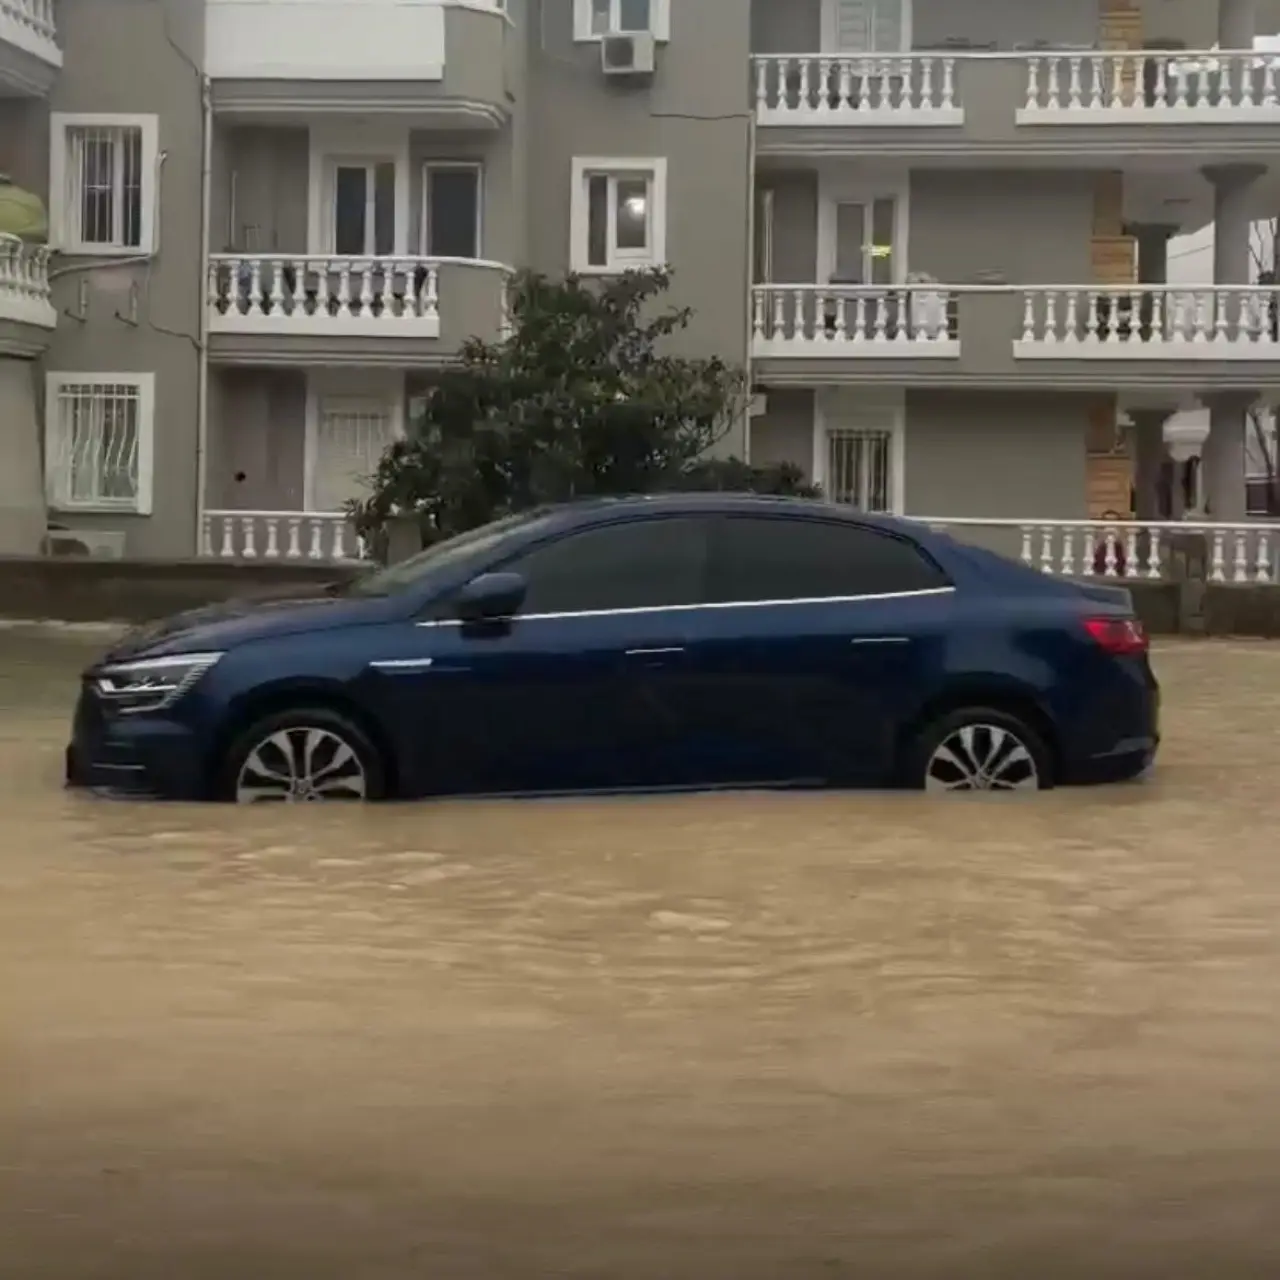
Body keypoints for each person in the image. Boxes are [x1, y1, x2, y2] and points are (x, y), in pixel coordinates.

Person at [1093, 509, 1127, 576]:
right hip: (1100, 573)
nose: (1110, 523)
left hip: (1118, 574)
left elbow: (1126, 558)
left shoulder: (1122, 539)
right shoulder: (1099, 538)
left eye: (1114, 520)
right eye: (1107, 520)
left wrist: (1120, 538)